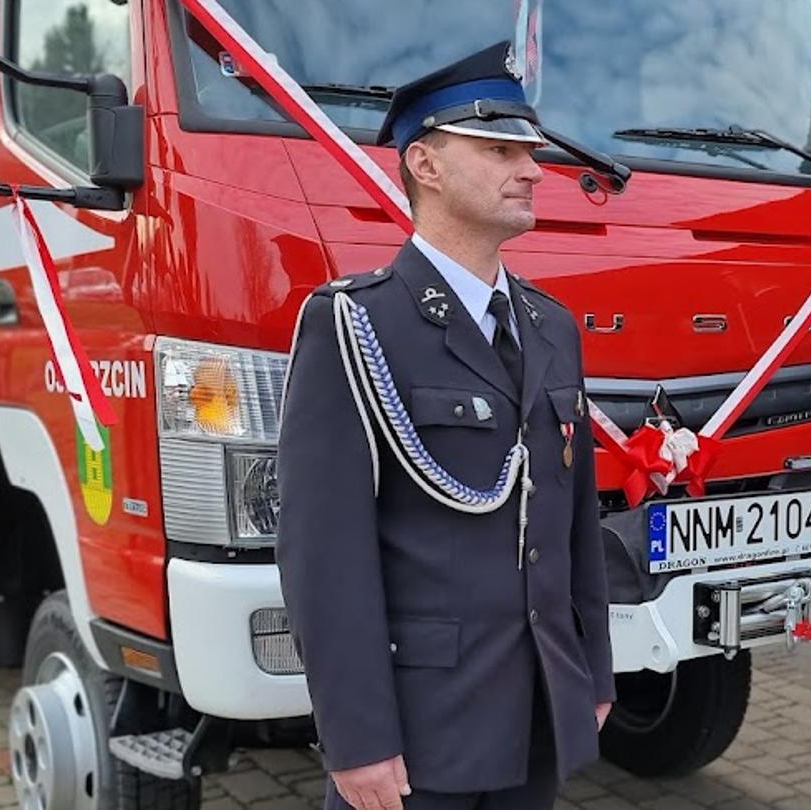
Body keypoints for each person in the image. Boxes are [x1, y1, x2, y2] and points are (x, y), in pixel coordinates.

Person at [272, 42, 614, 810]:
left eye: (529, 152)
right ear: (424, 165)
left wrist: (590, 672)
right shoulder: (358, 323)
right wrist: (357, 738)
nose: (531, 169)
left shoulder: (551, 326)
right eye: (499, 150)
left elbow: (572, 527)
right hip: (421, 728)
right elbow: (323, 554)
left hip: (533, 711)